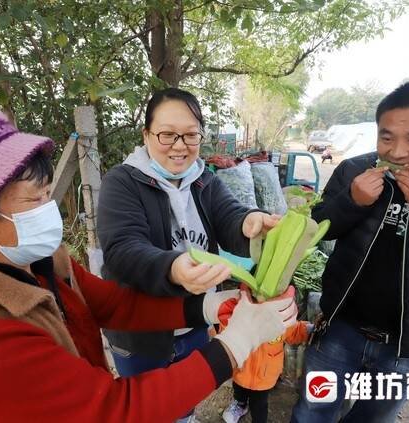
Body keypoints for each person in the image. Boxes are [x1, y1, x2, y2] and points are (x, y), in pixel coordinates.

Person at [0, 101, 299, 422]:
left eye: (48, 194)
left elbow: (113, 304)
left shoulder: (36, 258)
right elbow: (112, 410)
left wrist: (207, 305)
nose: (50, 212)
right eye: (34, 200)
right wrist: (235, 344)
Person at [291, 79, 409, 422]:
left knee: (373, 418)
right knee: (312, 412)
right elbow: (317, 229)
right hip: (340, 329)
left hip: (408, 348)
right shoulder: (354, 170)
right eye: (386, 137)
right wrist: (353, 201)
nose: (396, 152)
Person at [97, 88, 281, 421]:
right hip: (139, 329)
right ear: (147, 134)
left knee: (185, 399)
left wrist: (251, 222)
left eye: (190, 135)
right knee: (145, 407)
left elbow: (230, 217)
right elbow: (123, 249)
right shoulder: (121, 182)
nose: (180, 146)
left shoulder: (204, 182)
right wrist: (173, 269)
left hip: (194, 319)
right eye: (167, 135)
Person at [219, 287, 312, 423]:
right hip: (241, 370)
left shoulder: (283, 320)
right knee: (239, 391)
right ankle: (240, 405)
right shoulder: (241, 312)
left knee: (259, 404)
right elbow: (225, 327)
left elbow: (295, 331)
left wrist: (309, 329)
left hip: (264, 378)